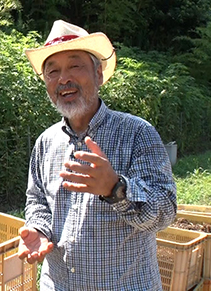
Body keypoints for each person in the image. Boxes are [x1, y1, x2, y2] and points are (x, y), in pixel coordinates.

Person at [16, 20, 177, 290]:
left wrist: (116, 188)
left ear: (99, 74)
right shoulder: (46, 142)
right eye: (52, 71)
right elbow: (38, 200)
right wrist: (39, 229)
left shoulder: (137, 133)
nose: (63, 78)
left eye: (75, 66)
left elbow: (165, 211)